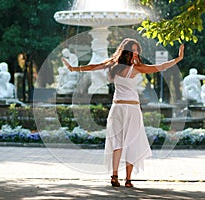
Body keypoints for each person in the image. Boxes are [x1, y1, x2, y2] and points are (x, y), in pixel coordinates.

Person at [62, 38, 184, 187]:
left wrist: (178, 59)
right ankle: (114, 176)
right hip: (118, 108)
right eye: (133, 50)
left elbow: (160, 66)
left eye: (137, 50)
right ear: (125, 51)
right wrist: (74, 69)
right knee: (117, 143)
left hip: (132, 109)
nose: (136, 53)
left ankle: (128, 179)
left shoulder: (138, 68)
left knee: (132, 143)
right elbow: (94, 66)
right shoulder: (114, 65)